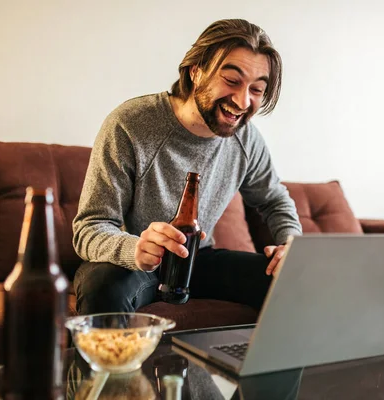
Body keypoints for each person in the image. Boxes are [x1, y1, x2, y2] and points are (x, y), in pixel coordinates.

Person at [72, 19, 302, 315]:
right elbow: (89, 227)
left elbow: (274, 200)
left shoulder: (247, 140)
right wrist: (136, 249)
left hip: (200, 261)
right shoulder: (130, 123)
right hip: (132, 262)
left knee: (293, 281)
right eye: (231, 81)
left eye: (256, 90)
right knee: (102, 287)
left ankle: (268, 363)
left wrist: (291, 245)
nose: (243, 101)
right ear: (196, 71)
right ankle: (110, 364)